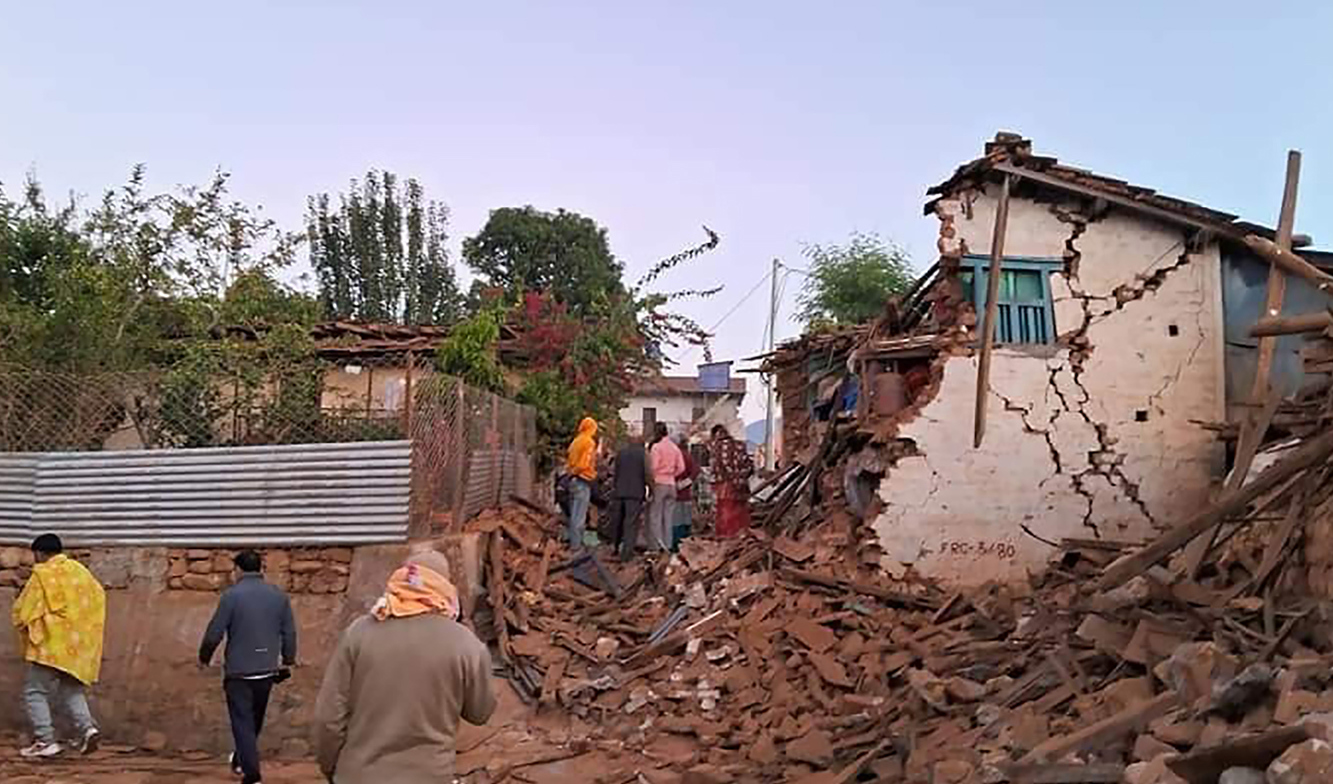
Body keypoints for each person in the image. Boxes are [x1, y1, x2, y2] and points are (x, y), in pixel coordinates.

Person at [314, 549, 495, 784]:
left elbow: (328, 717)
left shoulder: (358, 632)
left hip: (359, 775)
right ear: (445, 587)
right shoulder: (466, 644)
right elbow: (480, 712)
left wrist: (332, 768)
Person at [199, 550, 297, 784]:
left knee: (242, 722)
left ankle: (252, 775)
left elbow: (214, 633)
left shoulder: (231, 596)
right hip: (266, 670)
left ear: (238, 570)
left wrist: (204, 657)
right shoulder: (279, 597)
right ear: (261, 568)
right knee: (254, 720)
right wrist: (288, 660)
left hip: (239, 672)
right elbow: (289, 633)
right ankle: (240, 760)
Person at [12, 533, 106, 758]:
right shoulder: (80, 572)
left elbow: (25, 610)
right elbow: (98, 597)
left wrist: (22, 621)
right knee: (71, 689)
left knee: (35, 691)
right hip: (79, 645)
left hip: (50, 646)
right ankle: (87, 730)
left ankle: (45, 741)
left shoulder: (43, 574)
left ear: (39, 553)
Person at [608, 436, 650, 561]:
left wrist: (615, 487)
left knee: (618, 521)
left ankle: (614, 547)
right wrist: (651, 489)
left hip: (619, 491)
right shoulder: (643, 454)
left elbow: (615, 472)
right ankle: (626, 553)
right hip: (635, 493)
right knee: (631, 523)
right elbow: (647, 473)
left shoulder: (621, 453)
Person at [709, 425, 754, 537]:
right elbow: (750, 466)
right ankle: (741, 536)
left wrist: (732, 479)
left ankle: (726, 537)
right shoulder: (740, 445)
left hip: (725, 485)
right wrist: (741, 478)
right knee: (740, 512)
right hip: (742, 485)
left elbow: (721, 467)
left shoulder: (717, 447)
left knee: (725, 512)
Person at [647, 423, 685, 552]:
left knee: (655, 516)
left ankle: (657, 546)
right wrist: (672, 474)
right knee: (668, 517)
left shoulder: (656, 447)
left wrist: (653, 478)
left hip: (659, 483)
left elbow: (653, 467)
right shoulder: (675, 448)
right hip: (671, 484)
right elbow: (681, 467)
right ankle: (668, 545)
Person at [565, 417, 599, 550]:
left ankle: (574, 543)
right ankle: (576, 546)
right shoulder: (588, 442)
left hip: (572, 481)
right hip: (582, 480)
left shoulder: (575, 441)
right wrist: (579, 472)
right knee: (580, 515)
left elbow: (569, 460)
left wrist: (571, 473)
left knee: (574, 514)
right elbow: (584, 463)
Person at [672, 434, 698, 550]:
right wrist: (687, 482)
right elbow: (696, 470)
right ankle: (686, 543)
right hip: (686, 493)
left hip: (675, 493)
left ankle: (676, 545)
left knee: (676, 521)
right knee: (686, 520)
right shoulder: (688, 456)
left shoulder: (675, 455)